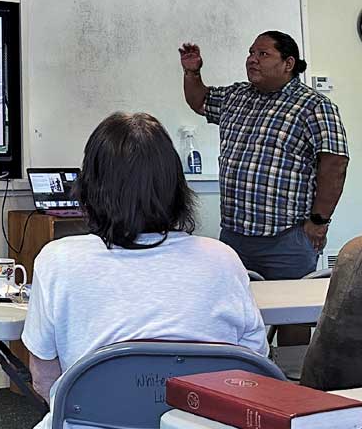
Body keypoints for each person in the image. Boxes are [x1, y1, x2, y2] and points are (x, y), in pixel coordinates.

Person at [21, 112, 268, 428]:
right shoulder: (223, 259)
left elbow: (44, 380)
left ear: (89, 186)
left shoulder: (58, 259)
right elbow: (253, 370)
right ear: (176, 186)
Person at [179, 31, 349, 345]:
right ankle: (245, 378)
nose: (252, 59)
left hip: (286, 238)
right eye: (251, 53)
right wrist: (192, 71)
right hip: (235, 236)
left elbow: (334, 162)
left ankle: (291, 384)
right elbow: (199, 100)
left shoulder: (314, 106)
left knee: (292, 315)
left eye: (263, 54)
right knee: (233, 313)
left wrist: (319, 221)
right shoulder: (236, 97)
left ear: (288, 63)